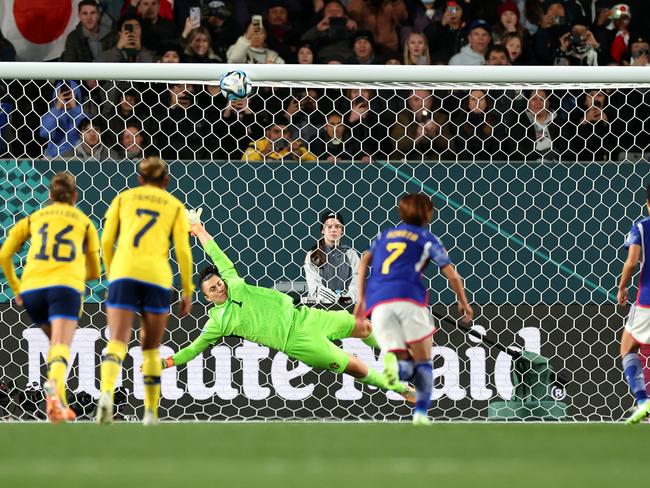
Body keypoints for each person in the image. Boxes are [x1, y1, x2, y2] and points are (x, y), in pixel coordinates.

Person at [159, 208, 415, 404]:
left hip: (307, 317)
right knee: (357, 367)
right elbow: (193, 350)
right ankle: (402, 390)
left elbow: (216, 254)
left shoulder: (235, 283)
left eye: (219, 283)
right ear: (206, 297)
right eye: (212, 289)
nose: (219, 288)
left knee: (365, 327)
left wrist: (199, 230)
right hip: (298, 343)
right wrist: (166, 363)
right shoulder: (217, 323)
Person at [354, 193, 473, 425]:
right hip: (409, 300)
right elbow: (452, 274)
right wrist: (463, 301)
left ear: (401, 212)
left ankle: (397, 366)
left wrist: (361, 300)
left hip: (379, 304)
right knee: (424, 360)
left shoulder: (384, 235)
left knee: (398, 350)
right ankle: (420, 412)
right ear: (428, 213)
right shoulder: (426, 239)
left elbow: (364, 260)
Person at [97, 157, 193, 425]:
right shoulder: (174, 205)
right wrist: (187, 289)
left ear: (140, 179)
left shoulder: (124, 198)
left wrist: (110, 269)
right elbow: (183, 252)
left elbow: (106, 238)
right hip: (157, 277)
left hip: (124, 273)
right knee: (150, 347)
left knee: (117, 340)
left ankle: (106, 394)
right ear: (166, 181)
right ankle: (150, 412)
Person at [0, 172, 101, 423]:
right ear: (75, 196)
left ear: (49, 196)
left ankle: (59, 403)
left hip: (33, 289)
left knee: (56, 346)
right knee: (61, 347)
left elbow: (5, 254)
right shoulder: (84, 222)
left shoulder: (35, 217)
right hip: (64, 288)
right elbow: (95, 271)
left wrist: (17, 287)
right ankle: (54, 396)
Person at [618, 184, 650, 424]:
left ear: (648, 203)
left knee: (627, 348)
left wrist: (622, 286)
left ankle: (642, 400)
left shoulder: (641, 226)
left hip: (646, 302)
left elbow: (631, 262)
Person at [304, 211, 360, 305]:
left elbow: (358, 281)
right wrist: (336, 300)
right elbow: (315, 286)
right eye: (329, 226)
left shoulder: (351, 254)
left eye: (337, 226)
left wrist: (347, 298)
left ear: (342, 230)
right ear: (322, 230)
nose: (333, 229)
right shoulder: (312, 255)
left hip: (347, 307)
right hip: (321, 308)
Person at [39, 81, 88, 159]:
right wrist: (57, 108)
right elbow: (45, 133)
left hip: (78, 157)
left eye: (70, 95)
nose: (67, 98)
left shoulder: (82, 115)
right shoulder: (51, 114)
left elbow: (86, 130)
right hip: (54, 157)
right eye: (64, 95)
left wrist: (74, 108)